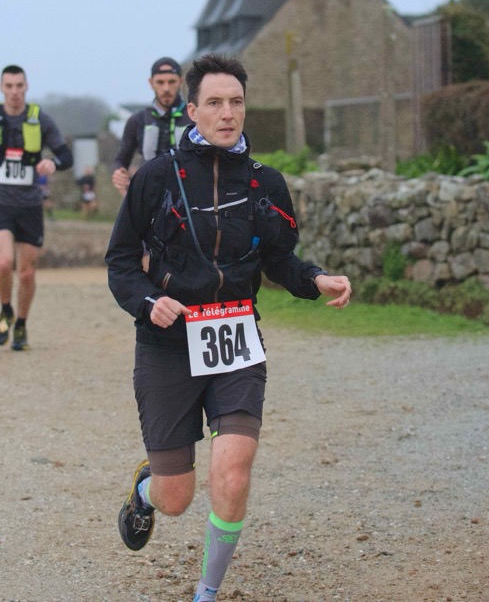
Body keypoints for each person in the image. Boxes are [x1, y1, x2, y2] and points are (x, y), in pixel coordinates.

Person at [105, 53, 351, 602]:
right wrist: (149, 301)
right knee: (176, 498)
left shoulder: (266, 183)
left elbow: (279, 259)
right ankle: (145, 490)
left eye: (236, 102)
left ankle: (207, 592)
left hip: (235, 340)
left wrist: (316, 279)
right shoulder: (156, 178)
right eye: (214, 102)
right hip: (168, 344)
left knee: (234, 472)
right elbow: (120, 261)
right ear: (192, 110)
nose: (227, 112)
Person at [0, 65, 74, 351]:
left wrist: (53, 163)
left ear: (26, 87)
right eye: (9, 86)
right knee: (3, 263)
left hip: (30, 206)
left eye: (19, 86)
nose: (14, 92)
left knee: (26, 273)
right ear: (1, 88)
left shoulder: (41, 120)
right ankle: (5, 310)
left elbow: (66, 156)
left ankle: (21, 324)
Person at [111, 57, 189, 197]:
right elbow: (120, 160)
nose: (166, 88)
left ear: (181, 82)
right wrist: (118, 173)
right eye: (160, 82)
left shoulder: (195, 117)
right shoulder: (137, 120)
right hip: (150, 196)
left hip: (188, 195)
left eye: (172, 82)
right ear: (151, 83)